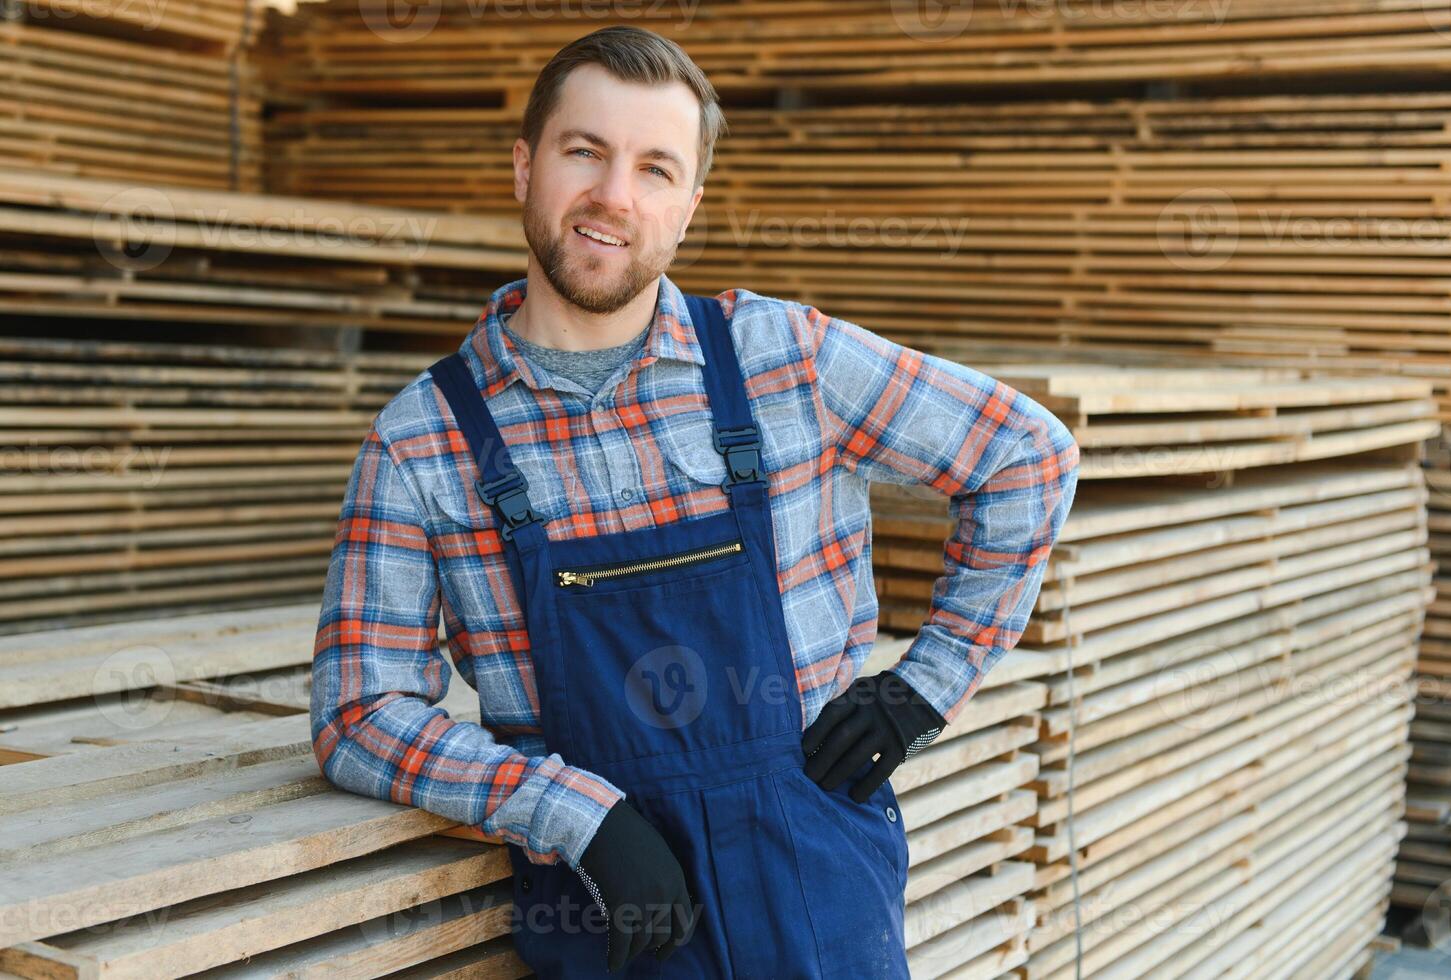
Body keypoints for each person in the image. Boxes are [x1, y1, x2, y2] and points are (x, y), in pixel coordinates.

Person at [310, 24, 1080, 979]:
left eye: (654, 169)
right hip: (606, 904)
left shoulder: (781, 359)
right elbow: (357, 712)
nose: (612, 197)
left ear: (688, 207)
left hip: (813, 868)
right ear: (523, 166)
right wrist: (566, 813)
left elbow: (1028, 456)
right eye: (583, 152)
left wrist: (924, 688)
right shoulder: (422, 439)